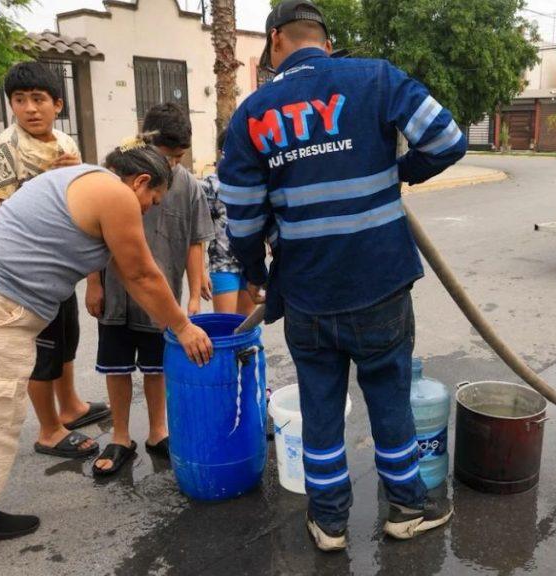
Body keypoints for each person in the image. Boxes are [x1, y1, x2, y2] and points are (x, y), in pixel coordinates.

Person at [219, 0, 467, 552]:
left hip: (306, 295)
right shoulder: (375, 78)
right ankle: (406, 509)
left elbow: (241, 211)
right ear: (325, 42)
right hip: (380, 286)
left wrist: (256, 272)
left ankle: (329, 523)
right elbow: (448, 140)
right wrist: (400, 173)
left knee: (320, 406)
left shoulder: (252, 113)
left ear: (276, 41)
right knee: (389, 398)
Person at [0, 142, 213, 570]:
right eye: (152, 200)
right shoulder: (116, 194)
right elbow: (141, 273)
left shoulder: (87, 178)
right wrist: (182, 325)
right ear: (141, 181)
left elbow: (129, 269)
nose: (148, 209)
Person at [0, 61, 109, 460]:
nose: (30, 108)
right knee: (41, 350)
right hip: (26, 272)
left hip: (58, 267)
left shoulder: (65, 145)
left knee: (66, 340)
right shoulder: (7, 148)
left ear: (57, 104)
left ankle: (72, 407)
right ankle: (48, 429)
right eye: (20, 100)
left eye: (38, 99)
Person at [86, 104, 216, 476]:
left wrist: (193, 291)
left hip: (161, 296)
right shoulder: (116, 178)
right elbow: (94, 238)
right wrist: (94, 282)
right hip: (116, 293)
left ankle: (158, 431)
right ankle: (121, 435)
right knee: (117, 365)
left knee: (157, 366)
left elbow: (194, 240)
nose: (172, 165)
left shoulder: (188, 185)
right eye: (167, 156)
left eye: (179, 158)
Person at [202, 130, 257, 316]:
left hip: (251, 265)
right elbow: (198, 232)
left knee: (246, 329)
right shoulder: (210, 185)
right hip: (223, 265)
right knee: (227, 328)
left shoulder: (252, 181)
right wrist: (200, 272)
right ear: (222, 152)